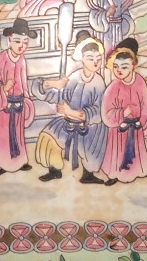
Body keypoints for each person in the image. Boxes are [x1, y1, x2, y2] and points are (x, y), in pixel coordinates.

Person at [29, 33, 107, 183]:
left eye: (98, 58)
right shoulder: (75, 77)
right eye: (90, 58)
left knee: (91, 148)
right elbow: (61, 95)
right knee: (48, 136)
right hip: (68, 121)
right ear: (82, 58)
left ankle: (88, 174)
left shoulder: (99, 82)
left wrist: (74, 113)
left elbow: (98, 111)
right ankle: (54, 170)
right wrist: (49, 84)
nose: (95, 62)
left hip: (90, 125)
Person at [98, 37, 147, 183]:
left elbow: (145, 107)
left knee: (138, 151)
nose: (119, 70)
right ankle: (114, 174)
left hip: (136, 128)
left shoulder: (140, 82)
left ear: (133, 65)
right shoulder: (113, 88)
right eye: (116, 66)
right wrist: (121, 113)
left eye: (124, 67)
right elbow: (106, 113)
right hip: (119, 129)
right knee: (117, 153)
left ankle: (141, 170)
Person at [0, 17, 34, 175]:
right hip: (3, 105)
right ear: (10, 40)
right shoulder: (1, 59)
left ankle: (19, 161)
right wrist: (4, 89)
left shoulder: (22, 60)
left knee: (18, 134)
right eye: (17, 41)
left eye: (25, 42)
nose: (21, 45)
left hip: (18, 104)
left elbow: (24, 82)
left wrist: (26, 99)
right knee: (2, 135)